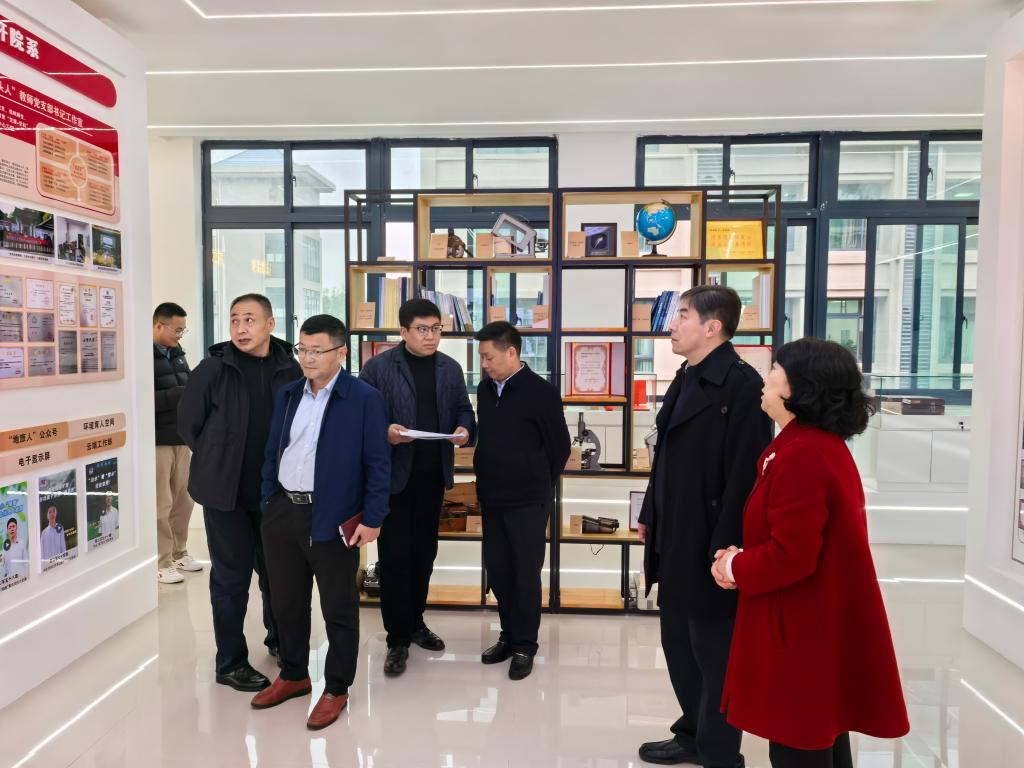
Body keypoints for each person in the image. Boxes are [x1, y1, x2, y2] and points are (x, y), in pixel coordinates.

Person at [712, 338, 909, 767]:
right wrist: (743, 557)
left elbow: (792, 556)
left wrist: (734, 564)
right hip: (813, 620)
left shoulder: (802, 454)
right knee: (821, 737)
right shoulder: (812, 445)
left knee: (799, 744)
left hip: (800, 628)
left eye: (775, 369)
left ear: (798, 387)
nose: (766, 378)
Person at [637, 285, 773, 768]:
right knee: (678, 643)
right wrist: (649, 513)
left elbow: (744, 480)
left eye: (682, 316)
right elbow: (665, 456)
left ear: (712, 327)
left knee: (713, 653)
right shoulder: (686, 375)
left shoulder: (742, 386)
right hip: (674, 532)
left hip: (711, 541)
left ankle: (719, 753)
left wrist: (726, 552)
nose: (672, 325)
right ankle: (693, 734)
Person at [252, 314, 390, 730]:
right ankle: (294, 673)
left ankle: (336, 688)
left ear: (341, 352)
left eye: (317, 351)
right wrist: (269, 499)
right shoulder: (288, 393)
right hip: (283, 511)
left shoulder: (363, 398)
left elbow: (378, 463)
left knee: (338, 607)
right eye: (302, 349)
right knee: (286, 601)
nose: (307, 358)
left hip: (333, 515)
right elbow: (274, 450)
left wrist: (374, 518)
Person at [178, 293, 302, 693]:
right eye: (234, 320)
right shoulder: (213, 369)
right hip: (225, 494)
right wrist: (219, 456)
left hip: (275, 494)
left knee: (278, 575)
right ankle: (230, 662)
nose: (240, 328)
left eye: (250, 319)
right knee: (231, 580)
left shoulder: (290, 367)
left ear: (270, 324)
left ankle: (280, 640)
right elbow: (189, 425)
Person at [359, 298, 476, 677]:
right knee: (394, 559)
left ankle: (416, 622)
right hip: (393, 479)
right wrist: (386, 432)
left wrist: (464, 429)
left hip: (432, 476)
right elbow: (360, 418)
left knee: (424, 555)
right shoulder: (378, 368)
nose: (431, 336)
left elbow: (464, 408)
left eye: (436, 329)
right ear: (404, 332)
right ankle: (397, 638)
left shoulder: (449, 367)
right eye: (422, 329)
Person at [472, 321, 570, 681]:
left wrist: (539, 483)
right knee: (498, 570)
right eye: (481, 357)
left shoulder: (541, 392)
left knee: (525, 574)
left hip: (529, 500)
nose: (484, 364)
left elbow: (560, 447)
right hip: (492, 497)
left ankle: (525, 645)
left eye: (489, 357)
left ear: (511, 352)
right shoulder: (485, 389)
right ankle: (509, 635)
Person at [153, 301, 199, 584]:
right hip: (157, 441)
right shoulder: (141, 355)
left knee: (185, 500)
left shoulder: (178, 353)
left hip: (182, 439)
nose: (180, 335)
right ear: (159, 326)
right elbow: (142, 399)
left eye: (183, 330)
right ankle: (161, 561)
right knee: (162, 504)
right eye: (177, 330)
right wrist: (178, 393)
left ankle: (179, 552)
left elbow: (191, 387)